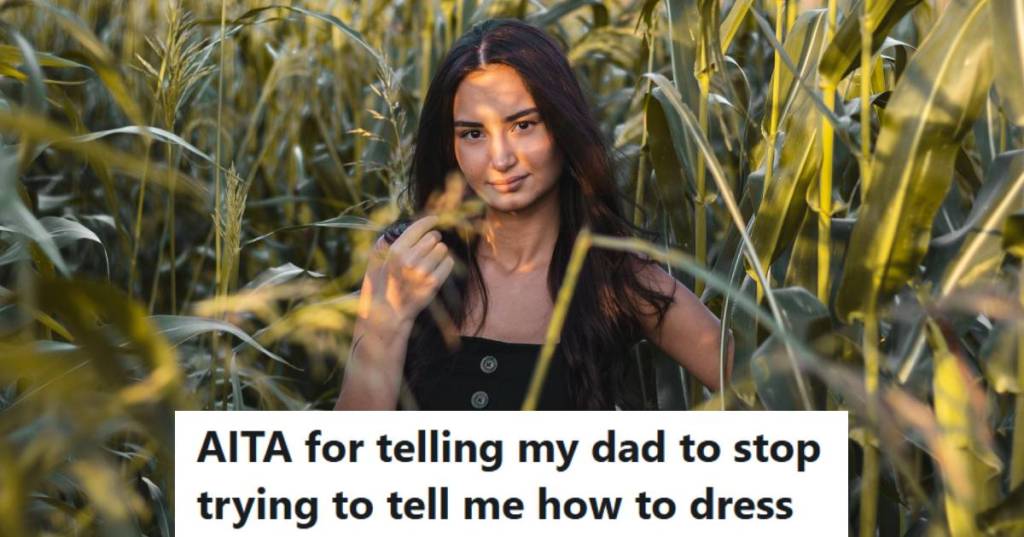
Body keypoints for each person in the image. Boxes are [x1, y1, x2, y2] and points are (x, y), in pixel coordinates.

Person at [335, 19, 733, 411]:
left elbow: (775, 394)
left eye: (523, 125)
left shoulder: (620, 280)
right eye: (473, 133)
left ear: (563, 127)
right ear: (450, 145)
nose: (501, 158)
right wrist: (387, 322)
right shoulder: (406, 257)